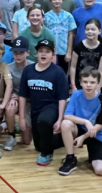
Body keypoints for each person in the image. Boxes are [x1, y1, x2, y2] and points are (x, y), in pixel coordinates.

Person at [18, 39, 69, 167]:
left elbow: (63, 97)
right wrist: (22, 118)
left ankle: (47, 154)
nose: (44, 54)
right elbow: (22, 95)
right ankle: (67, 137)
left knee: (44, 121)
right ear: (36, 53)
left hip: (52, 107)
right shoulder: (28, 70)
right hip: (35, 109)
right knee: (39, 146)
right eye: (41, 51)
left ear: (53, 54)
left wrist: (60, 119)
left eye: (47, 51)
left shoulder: (58, 72)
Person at [59, 69, 102, 177]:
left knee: (100, 171)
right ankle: (70, 158)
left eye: (92, 82)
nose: (88, 85)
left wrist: (83, 137)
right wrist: (85, 122)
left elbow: (100, 124)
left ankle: (97, 156)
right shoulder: (76, 94)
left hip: (96, 133)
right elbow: (67, 115)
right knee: (66, 124)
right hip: (80, 128)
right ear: (80, 82)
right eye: (85, 82)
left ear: (98, 84)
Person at [5, 40, 32, 151]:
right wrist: (12, 95)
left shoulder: (33, 67)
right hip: (15, 98)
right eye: (15, 53)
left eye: (21, 53)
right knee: (10, 108)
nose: (18, 55)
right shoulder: (8, 67)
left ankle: (22, 126)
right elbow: (6, 86)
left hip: (29, 100)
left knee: (26, 141)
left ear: (27, 53)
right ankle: (11, 135)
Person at [69, 18, 102, 91]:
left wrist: (99, 86)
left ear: (99, 31)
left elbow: (101, 70)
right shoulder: (78, 47)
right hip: (80, 82)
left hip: (93, 83)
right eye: (87, 29)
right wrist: (73, 85)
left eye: (93, 29)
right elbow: (73, 67)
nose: (90, 32)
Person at [44, 0, 77, 71]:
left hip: (63, 50)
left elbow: (71, 34)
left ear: (62, 1)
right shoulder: (46, 16)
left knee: (63, 73)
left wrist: (69, 52)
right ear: (51, 1)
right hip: (50, 49)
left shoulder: (68, 16)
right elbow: (44, 34)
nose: (57, 1)